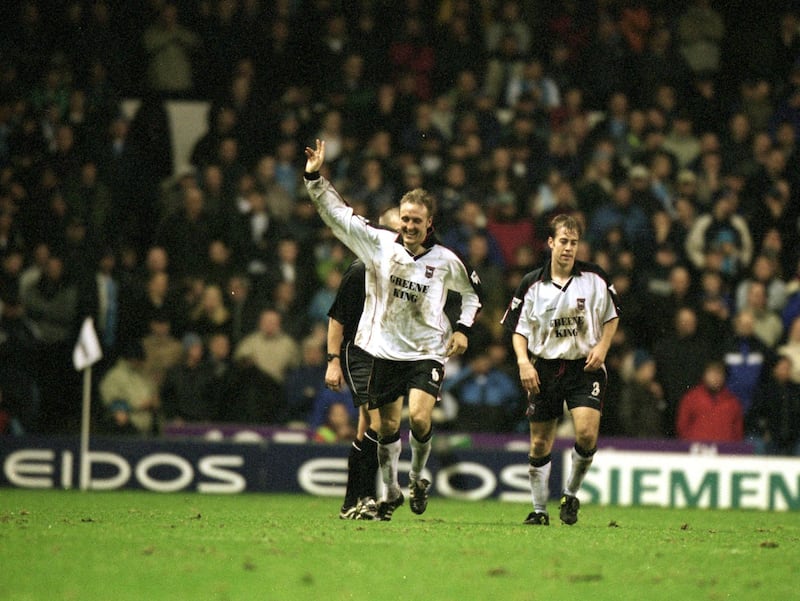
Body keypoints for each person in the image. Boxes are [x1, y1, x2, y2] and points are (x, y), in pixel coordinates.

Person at [304, 139, 482, 521]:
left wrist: (464, 329)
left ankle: (417, 477)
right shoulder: (380, 246)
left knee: (418, 418)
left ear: (429, 222)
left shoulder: (448, 260)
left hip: (426, 350)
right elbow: (339, 216)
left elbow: (473, 295)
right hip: (384, 350)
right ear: (399, 218)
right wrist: (315, 177)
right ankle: (392, 490)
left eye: (417, 220)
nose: (410, 226)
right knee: (384, 426)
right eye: (405, 218)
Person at [502, 214, 620, 526]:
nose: (568, 248)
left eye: (574, 242)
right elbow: (517, 330)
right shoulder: (532, 284)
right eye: (563, 241)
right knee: (540, 442)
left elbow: (612, 316)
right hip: (544, 367)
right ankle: (539, 510)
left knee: (585, 434)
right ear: (551, 243)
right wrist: (524, 362)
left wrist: (602, 347)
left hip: (584, 366)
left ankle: (571, 493)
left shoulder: (595, 278)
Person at [326, 207, 402, 520]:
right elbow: (336, 318)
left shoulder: (402, 273)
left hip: (387, 354)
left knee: (372, 428)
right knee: (377, 424)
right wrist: (332, 361)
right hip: (358, 352)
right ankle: (368, 497)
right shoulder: (360, 270)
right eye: (398, 232)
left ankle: (350, 502)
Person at [675, 360, 744, 443]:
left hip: (725, 452)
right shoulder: (691, 398)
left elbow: (738, 432)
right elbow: (682, 426)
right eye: (712, 373)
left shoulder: (733, 402)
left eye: (719, 373)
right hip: (696, 451)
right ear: (704, 375)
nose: (715, 377)